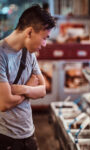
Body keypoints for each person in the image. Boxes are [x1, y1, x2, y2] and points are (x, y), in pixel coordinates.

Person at [0, 4, 55, 150]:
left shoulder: (29, 53)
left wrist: (23, 88)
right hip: (6, 138)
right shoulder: (1, 55)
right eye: (44, 38)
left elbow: (43, 90)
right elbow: (4, 104)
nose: (44, 44)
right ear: (29, 32)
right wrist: (31, 88)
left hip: (29, 133)